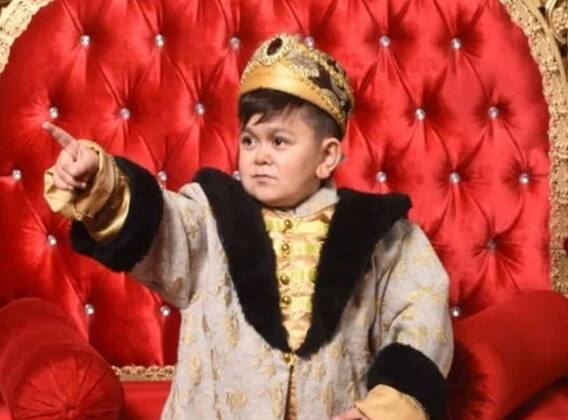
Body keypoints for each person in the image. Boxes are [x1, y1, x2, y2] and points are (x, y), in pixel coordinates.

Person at [43, 33, 453, 420]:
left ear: (327, 157)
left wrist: (383, 409)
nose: (259, 156)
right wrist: (97, 179)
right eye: (249, 140)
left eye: (279, 141)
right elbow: (158, 224)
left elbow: (422, 320)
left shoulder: (382, 237)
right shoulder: (209, 217)